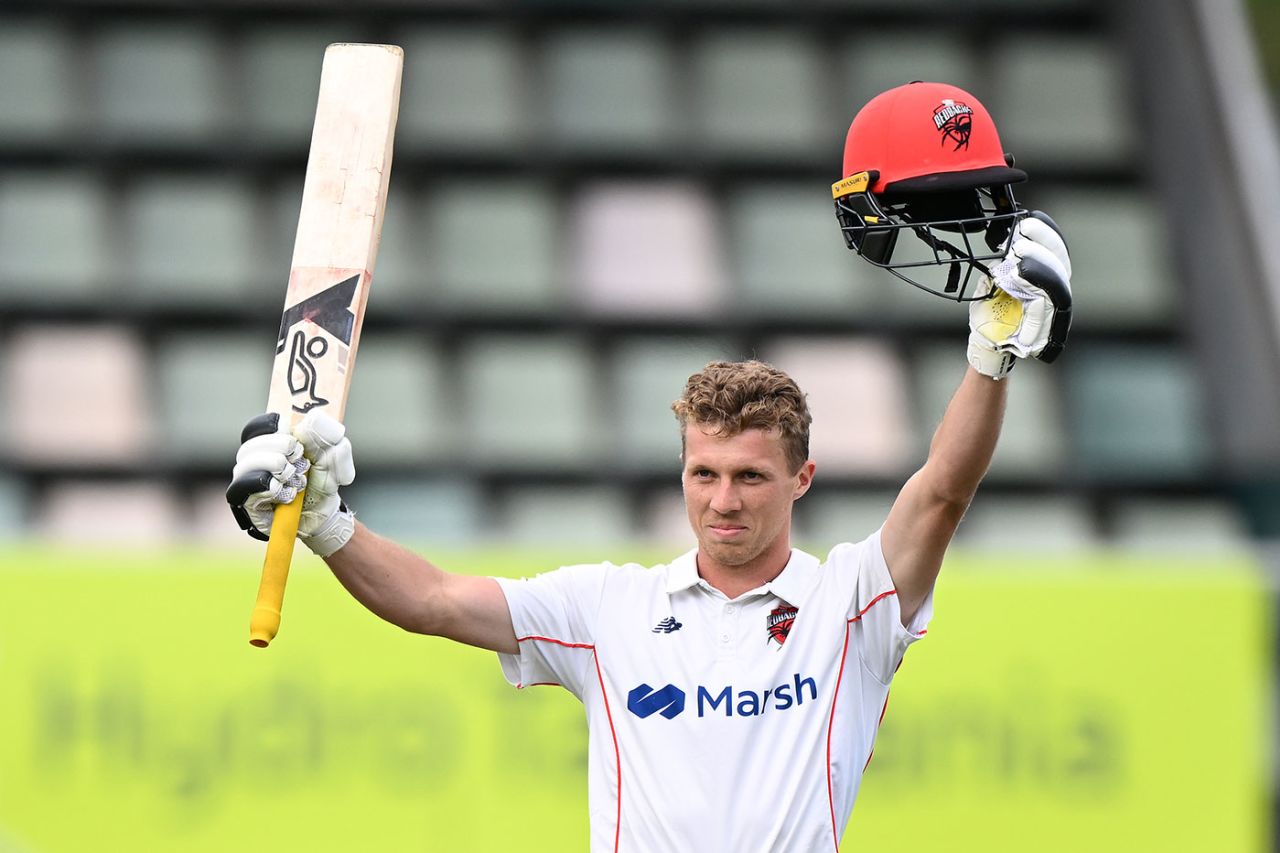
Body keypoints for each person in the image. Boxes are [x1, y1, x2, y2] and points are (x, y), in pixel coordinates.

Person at [227, 81, 1072, 852]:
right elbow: (435, 601)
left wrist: (990, 352)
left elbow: (941, 492)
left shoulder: (849, 605)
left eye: (749, 477)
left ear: (801, 480)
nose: (722, 501)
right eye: (704, 474)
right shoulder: (611, 609)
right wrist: (330, 525)